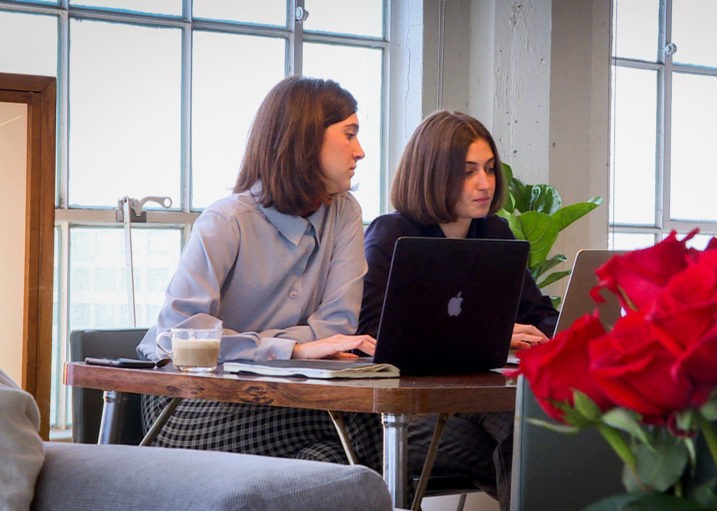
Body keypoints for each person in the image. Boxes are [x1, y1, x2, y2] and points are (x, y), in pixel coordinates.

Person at [136, 76, 381, 470]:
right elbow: (178, 336)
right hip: (189, 404)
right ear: (305, 140)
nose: (361, 151)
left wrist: (255, 344)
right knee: (370, 428)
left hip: (292, 398)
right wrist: (293, 350)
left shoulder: (345, 213)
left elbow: (337, 325)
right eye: (349, 134)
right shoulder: (226, 220)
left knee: (327, 461)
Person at [358, 110, 559, 510]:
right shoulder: (392, 234)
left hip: (483, 397)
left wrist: (565, 332)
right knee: (523, 435)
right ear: (432, 174)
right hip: (412, 403)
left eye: (488, 169)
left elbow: (540, 314)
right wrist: (497, 336)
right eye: (467, 172)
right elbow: (373, 336)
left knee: (535, 425)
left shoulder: (496, 233)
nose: (485, 183)